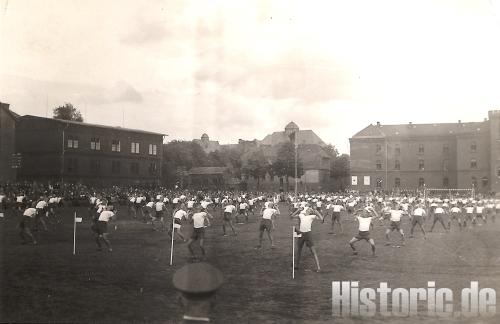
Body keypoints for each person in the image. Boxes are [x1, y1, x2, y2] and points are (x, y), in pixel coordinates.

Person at [290, 206, 324, 272]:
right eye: (308, 209)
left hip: (308, 234)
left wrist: (316, 212)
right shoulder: (301, 215)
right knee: (299, 250)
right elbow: (291, 216)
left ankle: (318, 267)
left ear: (311, 212)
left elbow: (322, 219)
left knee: (313, 251)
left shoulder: (312, 216)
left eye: (310, 210)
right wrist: (298, 210)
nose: (309, 209)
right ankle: (296, 265)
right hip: (301, 233)